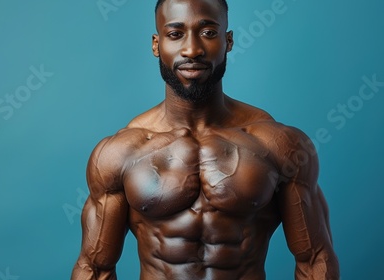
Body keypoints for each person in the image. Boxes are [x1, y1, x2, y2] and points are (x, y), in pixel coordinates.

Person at [71, 0, 340, 279]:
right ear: (156, 44)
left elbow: (314, 259)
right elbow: (94, 267)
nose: (192, 50)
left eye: (208, 32)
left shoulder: (279, 145)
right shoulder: (120, 153)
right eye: (175, 34)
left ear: (229, 40)